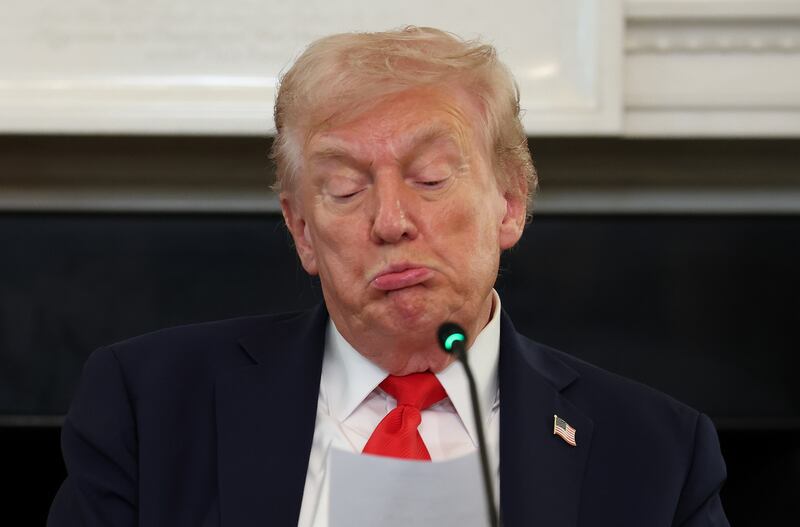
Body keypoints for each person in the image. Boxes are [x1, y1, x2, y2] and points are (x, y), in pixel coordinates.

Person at [48, 26, 729, 526]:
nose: (391, 220)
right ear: (302, 230)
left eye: (431, 178)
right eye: (344, 189)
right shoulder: (149, 407)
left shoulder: (656, 453)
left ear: (510, 203)